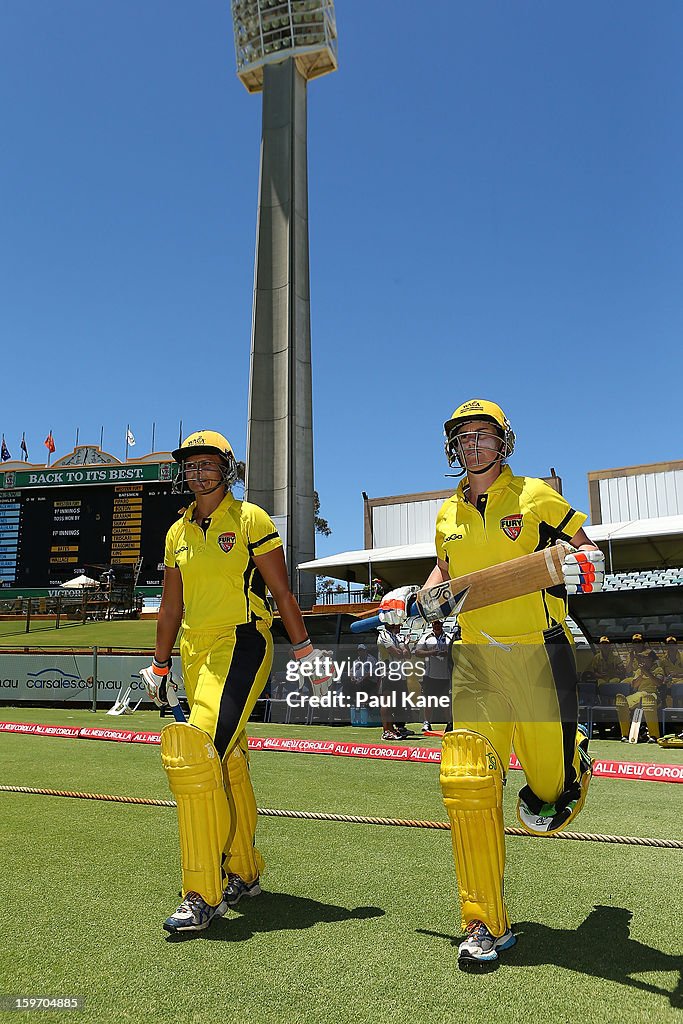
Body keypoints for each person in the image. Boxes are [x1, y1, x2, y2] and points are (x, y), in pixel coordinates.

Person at [377, 399, 604, 969]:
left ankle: (570, 759)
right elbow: (450, 575)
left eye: (483, 435)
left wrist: (587, 565)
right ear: (452, 447)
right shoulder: (447, 514)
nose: (473, 445)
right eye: (463, 437)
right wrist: (411, 596)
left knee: (547, 797)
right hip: (475, 658)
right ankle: (483, 921)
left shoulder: (534, 496)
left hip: (536, 653)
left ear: (504, 442)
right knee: (466, 782)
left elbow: (588, 548)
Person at [140, 430, 329, 933]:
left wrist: (306, 650)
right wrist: (160, 666)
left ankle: (203, 892)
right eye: (191, 465)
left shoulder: (249, 519)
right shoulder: (177, 531)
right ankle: (243, 870)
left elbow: (282, 591)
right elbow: (171, 606)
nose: (198, 473)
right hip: (196, 652)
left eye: (207, 464)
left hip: (244, 642)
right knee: (228, 757)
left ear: (227, 469)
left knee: (195, 753)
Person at [616, 642, 664, 743]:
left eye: (644, 658)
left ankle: (654, 735)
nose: (642, 660)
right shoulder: (639, 670)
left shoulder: (658, 669)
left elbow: (658, 683)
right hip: (639, 694)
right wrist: (642, 674)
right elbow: (634, 686)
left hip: (653, 694)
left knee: (648, 701)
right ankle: (625, 734)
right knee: (622, 703)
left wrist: (648, 672)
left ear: (651, 659)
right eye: (641, 658)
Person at [413, 619, 452, 732]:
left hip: (445, 675)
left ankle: (449, 723)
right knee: (429, 700)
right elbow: (417, 652)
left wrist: (447, 653)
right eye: (435, 623)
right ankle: (427, 722)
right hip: (430, 675)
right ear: (432, 624)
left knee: (445, 701)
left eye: (439, 623)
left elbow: (456, 652)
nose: (437, 625)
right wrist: (431, 653)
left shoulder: (449, 637)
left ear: (442, 624)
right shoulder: (426, 637)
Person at [376, 622, 412, 740]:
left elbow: (407, 655)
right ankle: (386, 731)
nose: (397, 625)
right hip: (388, 673)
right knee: (387, 702)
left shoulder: (395, 636)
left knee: (396, 703)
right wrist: (402, 647)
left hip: (399, 674)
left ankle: (393, 729)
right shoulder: (383, 635)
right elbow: (397, 653)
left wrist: (404, 645)